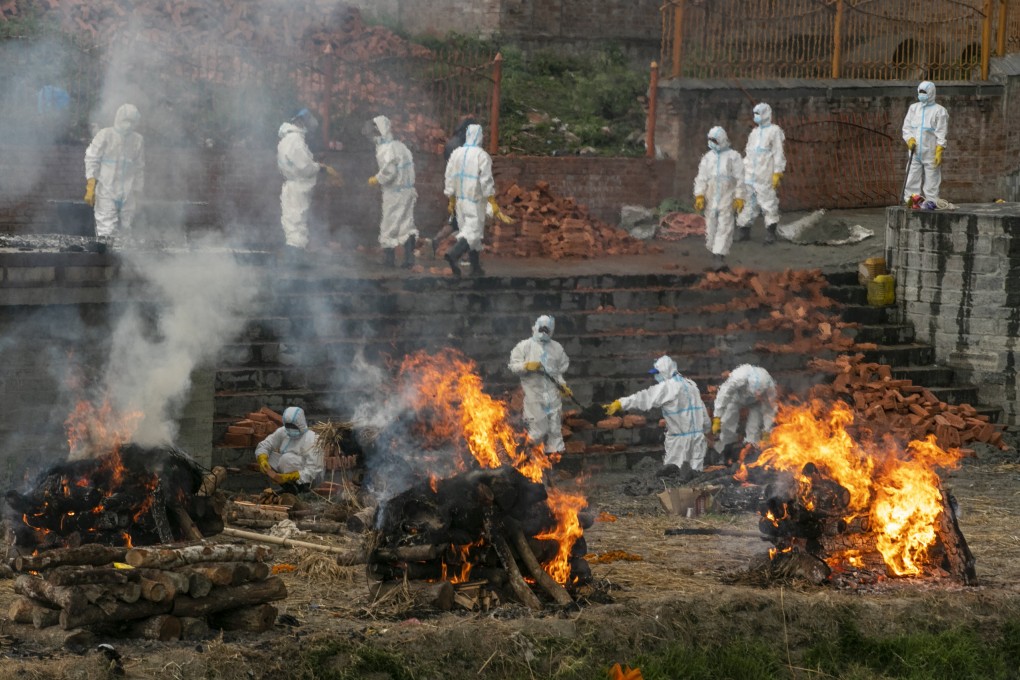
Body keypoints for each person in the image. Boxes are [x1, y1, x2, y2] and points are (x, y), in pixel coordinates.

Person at [605, 356, 709, 474]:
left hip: (679, 441)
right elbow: (702, 410)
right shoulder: (691, 385)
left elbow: (644, 398)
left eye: (658, 373)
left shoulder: (668, 387)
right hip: (697, 439)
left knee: (673, 476)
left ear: (665, 371)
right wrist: (706, 428)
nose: (656, 376)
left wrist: (621, 403)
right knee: (695, 476)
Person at [443, 123, 512, 277]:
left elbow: (449, 176)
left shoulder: (456, 153)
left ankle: (475, 268)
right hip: (474, 202)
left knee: (470, 233)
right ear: (480, 136)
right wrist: (492, 201)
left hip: (460, 202)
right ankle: (453, 254)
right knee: (473, 233)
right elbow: (486, 180)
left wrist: (451, 198)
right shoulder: (482, 156)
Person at [277, 108, 339, 252]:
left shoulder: (285, 140)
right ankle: (296, 256)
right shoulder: (296, 140)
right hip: (298, 186)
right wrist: (320, 167)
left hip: (291, 184)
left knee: (291, 220)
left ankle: (292, 257)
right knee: (297, 220)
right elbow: (304, 166)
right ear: (300, 121)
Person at [508, 315, 572, 454]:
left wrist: (563, 386)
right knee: (537, 430)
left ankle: (555, 459)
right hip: (533, 396)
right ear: (534, 328)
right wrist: (526, 366)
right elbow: (513, 366)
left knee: (555, 429)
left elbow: (558, 372)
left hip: (553, 396)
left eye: (547, 329)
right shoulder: (524, 346)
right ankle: (529, 458)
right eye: (541, 328)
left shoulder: (556, 348)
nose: (543, 332)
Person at [84, 103, 145, 245]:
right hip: (107, 189)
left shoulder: (137, 140)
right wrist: (91, 184)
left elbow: (139, 167)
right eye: (125, 120)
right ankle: (106, 259)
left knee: (127, 228)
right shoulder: (105, 135)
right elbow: (92, 158)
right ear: (118, 118)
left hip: (128, 192)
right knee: (106, 229)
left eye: (132, 121)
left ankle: (125, 262)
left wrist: (138, 190)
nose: (128, 125)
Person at [366, 115, 418, 268]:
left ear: (379, 130)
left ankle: (389, 260)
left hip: (395, 193)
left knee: (388, 225)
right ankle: (409, 259)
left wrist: (376, 179)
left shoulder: (386, 149)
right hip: (408, 191)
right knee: (406, 225)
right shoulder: (399, 146)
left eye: (373, 130)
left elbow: (389, 172)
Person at [694, 126, 745, 271]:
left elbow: (740, 178)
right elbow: (701, 178)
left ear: (722, 140)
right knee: (711, 225)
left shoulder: (733, 156)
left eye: (714, 140)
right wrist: (699, 195)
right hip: (711, 194)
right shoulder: (707, 158)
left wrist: (740, 196)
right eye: (710, 140)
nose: (712, 143)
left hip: (727, 194)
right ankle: (713, 250)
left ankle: (719, 256)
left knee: (725, 225)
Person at [736, 102, 786, 245]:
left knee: (767, 202)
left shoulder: (774, 131)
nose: (756, 116)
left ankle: (771, 232)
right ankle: (744, 230)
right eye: (755, 113)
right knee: (748, 202)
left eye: (758, 113)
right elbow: (749, 153)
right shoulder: (754, 132)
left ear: (766, 114)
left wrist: (777, 172)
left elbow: (778, 153)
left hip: (765, 174)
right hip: (750, 173)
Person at [711, 364, 778, 460]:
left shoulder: (769, 385)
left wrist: (767, 430)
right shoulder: (739, 377)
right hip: (735, 398)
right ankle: (724, 452)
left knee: (754, 426)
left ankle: (750, 453)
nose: (757, 394)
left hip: (755, 403)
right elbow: (724, 395)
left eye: (759, 393)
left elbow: (770, 409)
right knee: (728, 420)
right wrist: (717, 417)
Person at [431, 117, 476, 256]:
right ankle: (459, 254)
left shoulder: (451, 143)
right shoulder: (463, 145)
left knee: (456, 219)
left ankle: (437, 239)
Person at [255, 406, 323, 494]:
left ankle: (302, 489)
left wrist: (292, 476)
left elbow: (314, 469)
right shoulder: (283, 432)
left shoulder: (313, 439)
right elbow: (265, 444)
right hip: (289, 465)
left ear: (300, 424)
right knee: (270, 455)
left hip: (311, 478)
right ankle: (289, 488)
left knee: (287, 458)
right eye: (288, 425)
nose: (290, 429)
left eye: (293, 426)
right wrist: (262, 459)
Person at [902, 81, 949, 208]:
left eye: (924, 92)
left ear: (931, 93)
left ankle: (931, 202)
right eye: (920, 92)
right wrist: (910, 140)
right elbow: (907, 128)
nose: (921, 95)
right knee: (911, 177)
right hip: (915, 151)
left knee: (932, 180)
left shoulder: (940, 111)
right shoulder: (913, 108)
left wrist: (939, 150)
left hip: (931, 152)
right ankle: (912, 201)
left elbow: (941, 132)